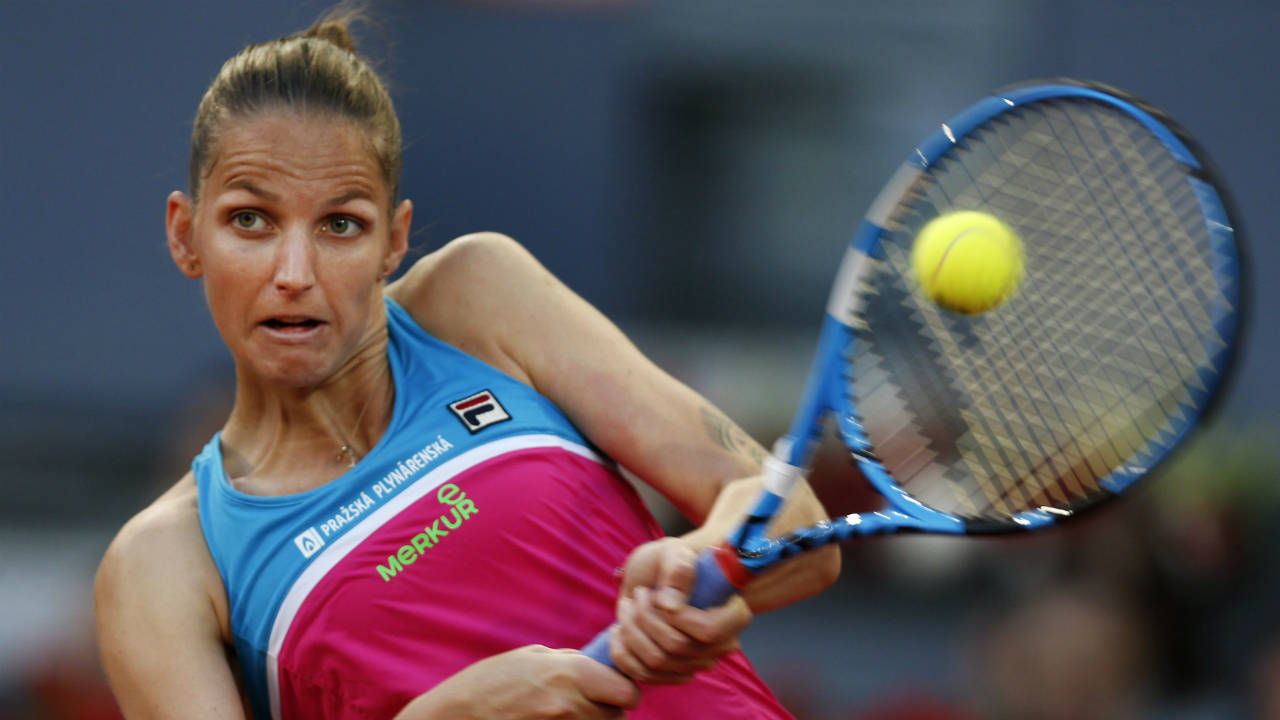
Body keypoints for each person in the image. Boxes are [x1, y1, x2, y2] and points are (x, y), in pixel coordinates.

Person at [92, 11, 838, 720]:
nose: (294, 271)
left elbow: (792, 517)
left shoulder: (480, 300)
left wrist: (699, 562)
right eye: (250, 220)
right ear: (186, 236)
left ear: (395, 240)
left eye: (341, 225)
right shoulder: (163, 568)